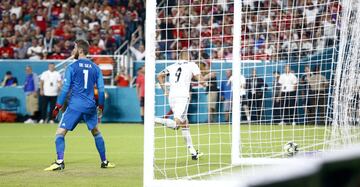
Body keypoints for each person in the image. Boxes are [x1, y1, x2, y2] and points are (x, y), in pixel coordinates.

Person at [44, 39, 115, 171]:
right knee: (96, 132)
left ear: (80, 50)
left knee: (60, 133)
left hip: (75, 106)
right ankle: (104, 161)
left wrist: (58, 106)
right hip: (90, 107)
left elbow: (65, 89)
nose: (73, 51)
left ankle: (60, 162)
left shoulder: (71, 67)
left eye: (75, 48)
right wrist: (101, 107)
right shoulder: (96, 68)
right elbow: (101, 90)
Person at [155, 51, 205, 160]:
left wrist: (165, 90)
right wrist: (205, 82)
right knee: (176, 124)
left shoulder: (172, 66)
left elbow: (159, 76)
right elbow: (201, 79)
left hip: (172, 96)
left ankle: (193, 152)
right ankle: (153, 119)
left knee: (185, 123)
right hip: (182, 97)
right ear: (189, 56)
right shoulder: (192, 64)